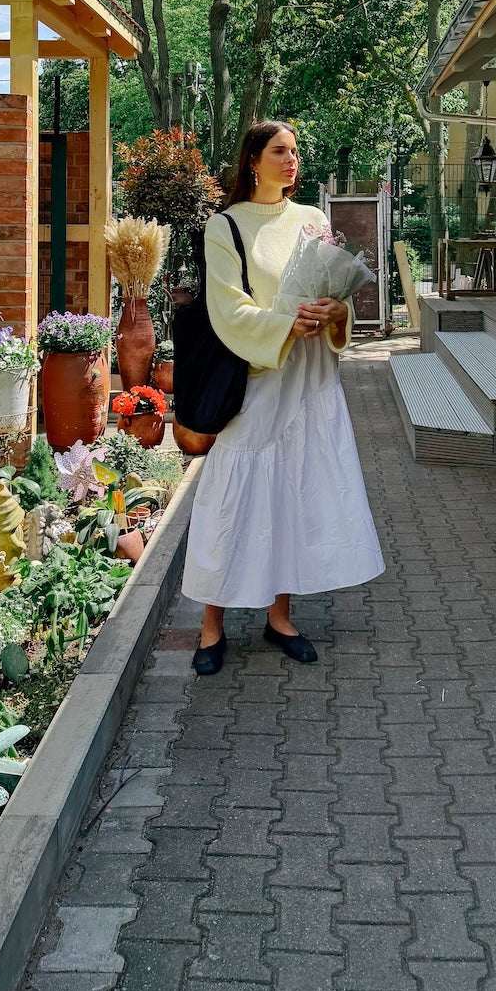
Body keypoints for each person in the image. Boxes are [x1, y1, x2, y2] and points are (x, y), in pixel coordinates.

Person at [181, 120, 385, 675]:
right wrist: (284, 326)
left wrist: (335, 314)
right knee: (232, 493)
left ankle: (280, 618)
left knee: (296, 490)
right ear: (253, 159)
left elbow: (336, 298)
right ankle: (211, 625)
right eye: (279, 151)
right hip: (258, 376)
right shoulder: (224, 227)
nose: (291, 161)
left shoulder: (313, 221)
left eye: (296, 152)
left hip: (312, 381)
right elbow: (228, 309)